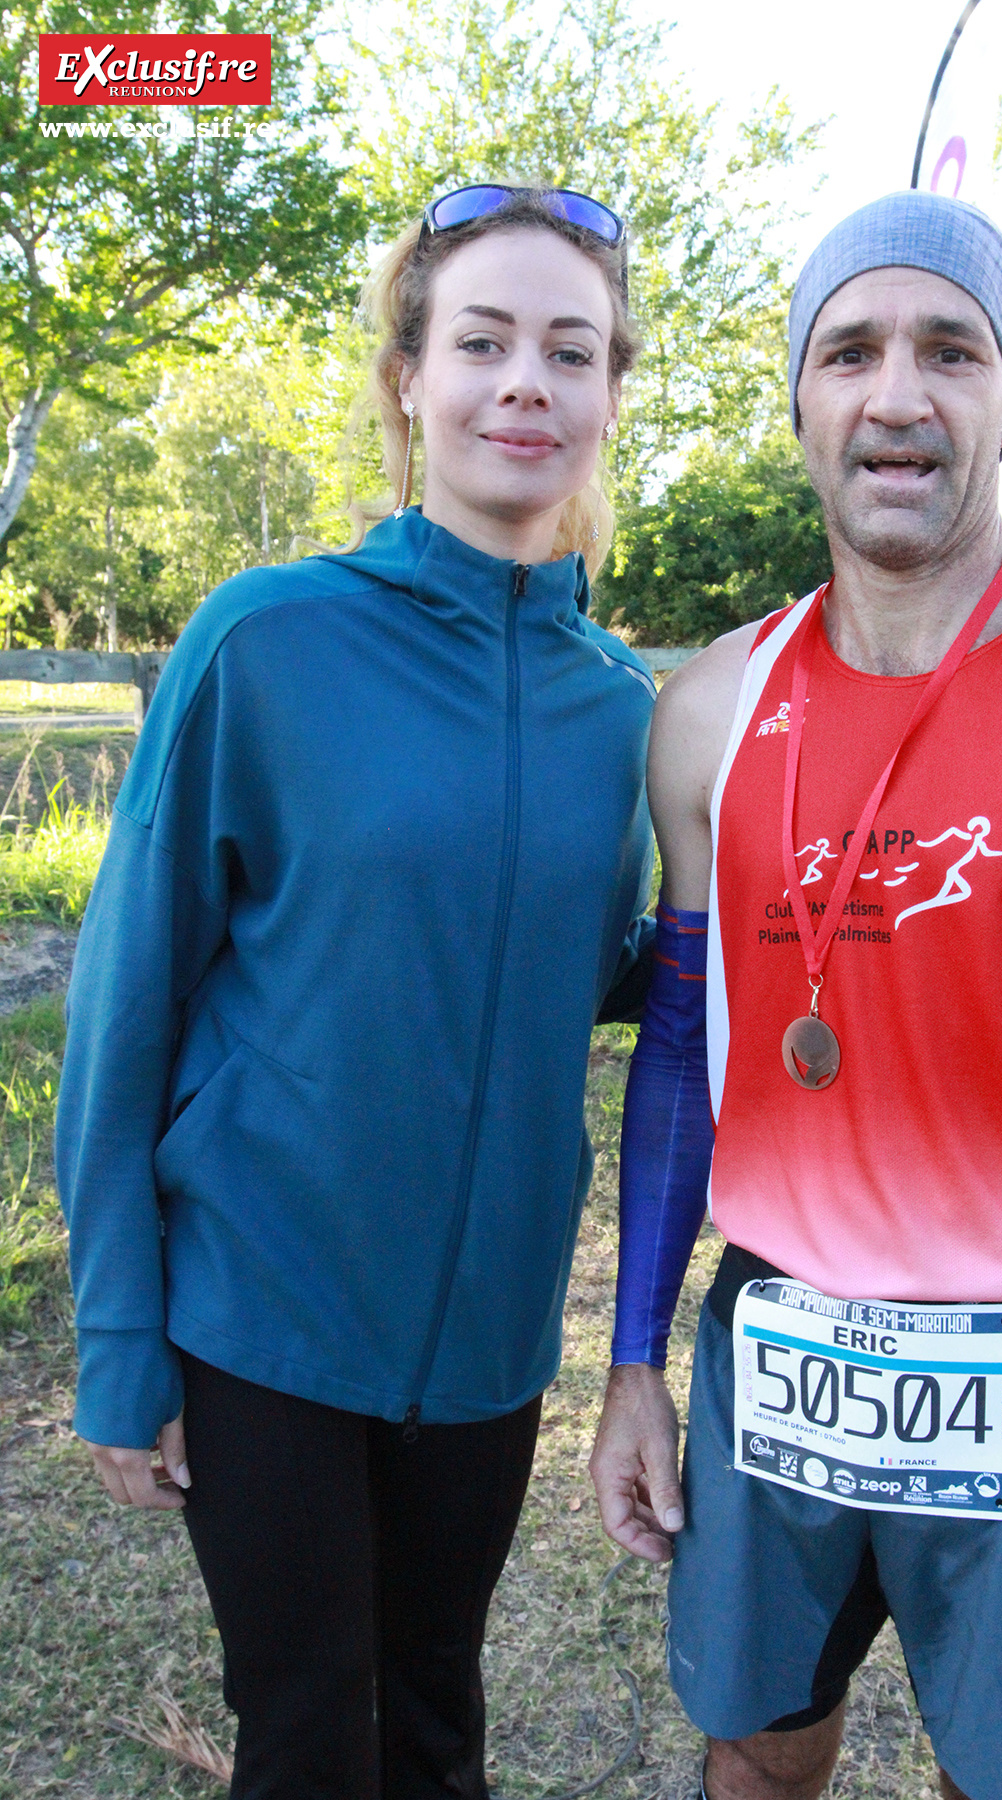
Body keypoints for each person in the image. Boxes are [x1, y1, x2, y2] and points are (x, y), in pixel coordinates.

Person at [589, 189, 1002, 1800]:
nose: (898, 393)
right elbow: (677, 1053)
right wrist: (636, 1359)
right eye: (850, 350)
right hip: (773, 1357)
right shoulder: (714, 704)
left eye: (951, 349)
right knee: (757, 1755)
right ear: (802, 399)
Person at [57, 183, 657, 1800]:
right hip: (264, 1317)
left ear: (609, 396)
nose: (525, 380)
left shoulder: (627, 709)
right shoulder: (268, 641)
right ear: (409, 377)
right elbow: (126, 1004)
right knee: (313, 1734)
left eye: (569, 349)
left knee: (439, 1720)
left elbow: (590, 967)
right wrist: (120, 1336)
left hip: (489, 1341)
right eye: (482, 340)